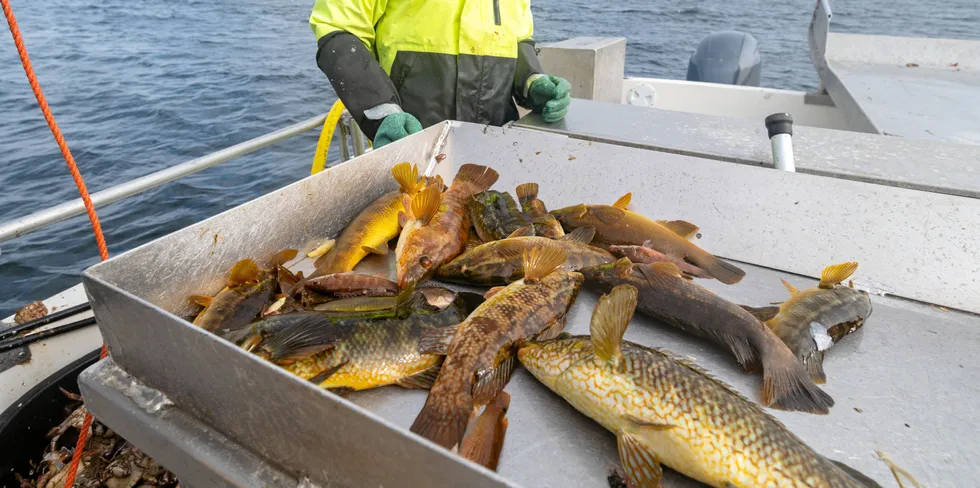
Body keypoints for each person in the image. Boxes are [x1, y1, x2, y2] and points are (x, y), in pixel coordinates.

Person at [310, 0, 571, 148]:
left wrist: (532, 80)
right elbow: (339, 28)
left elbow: (518, 37)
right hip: (410, 141)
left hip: (496, 144)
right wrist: (381, 112)